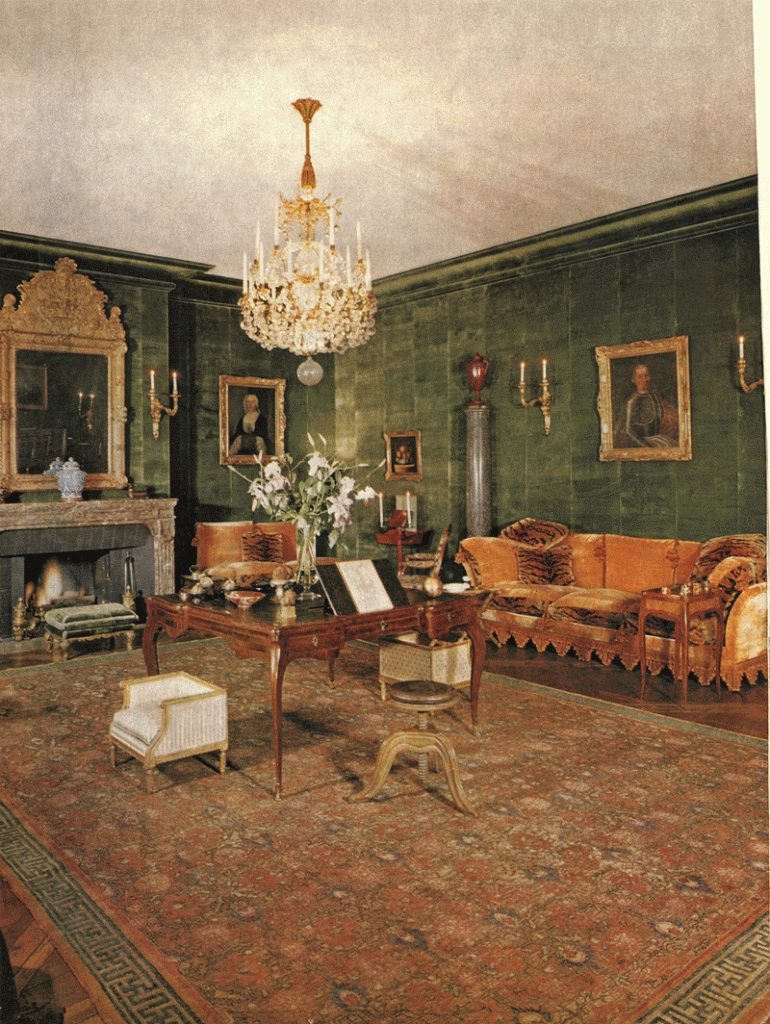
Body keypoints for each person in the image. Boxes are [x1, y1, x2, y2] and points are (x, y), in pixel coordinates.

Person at [615, 364, 678, 448]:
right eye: (640, 377)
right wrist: (648, 447)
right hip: (642, 444)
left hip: (659, 440)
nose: (644, 380)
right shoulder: (631, 402)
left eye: (646, 375)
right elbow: (628, 431)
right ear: (634, 380)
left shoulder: (655, 397)